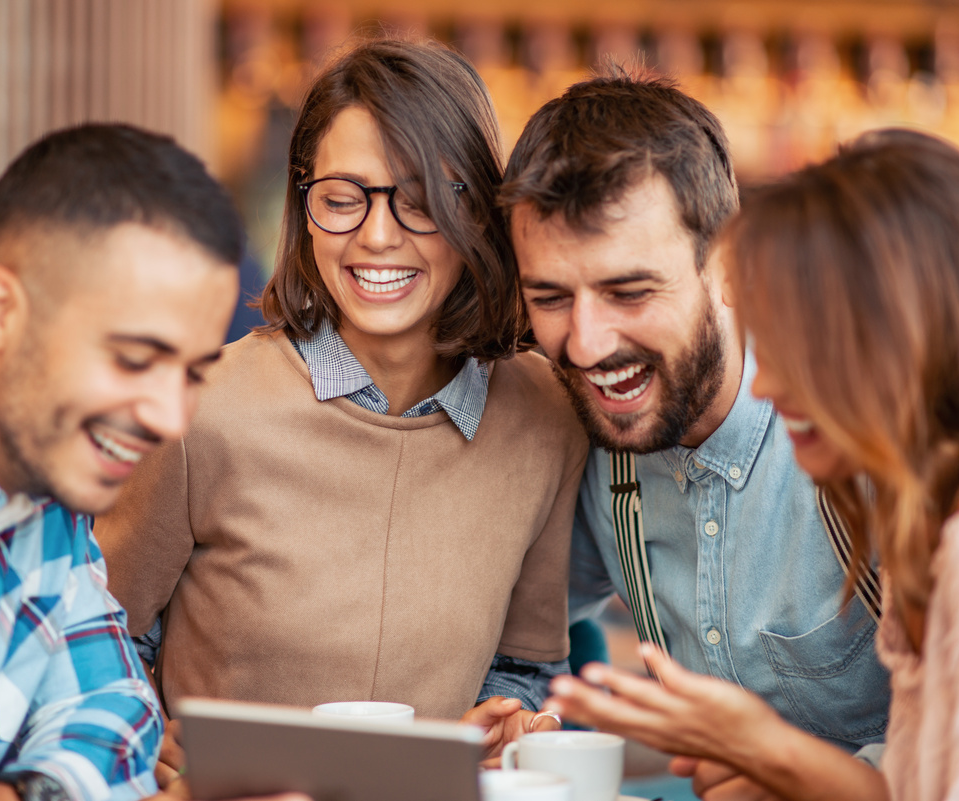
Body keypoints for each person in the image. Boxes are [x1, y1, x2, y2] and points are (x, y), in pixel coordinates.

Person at [93, 38, 588, 785]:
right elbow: (99, 639)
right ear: (303, 205)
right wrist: (144, 735)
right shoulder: (200, 409)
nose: (378, 235)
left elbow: (522, 665)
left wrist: (511, 720)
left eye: (420, 198)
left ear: (479, 212)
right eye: (341, 197)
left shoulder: (546, 416)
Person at [544, 130, 959, 800]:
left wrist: (767, 754)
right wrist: (768, 757)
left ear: (900, 334)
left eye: (797, 340)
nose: (764, 386)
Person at [0, 123, 309, 801]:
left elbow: (113, 708)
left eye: (192, 372)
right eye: (135, 359)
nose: (169, 419)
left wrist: (21, 794)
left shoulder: (50, 481)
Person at [500, 68, 892, 760]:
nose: (586, 344)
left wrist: (792, 775)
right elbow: (525, 640)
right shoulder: (589, 443)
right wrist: (512, 712)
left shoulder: (862, 432)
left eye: (629, 290)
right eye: (552, 297)